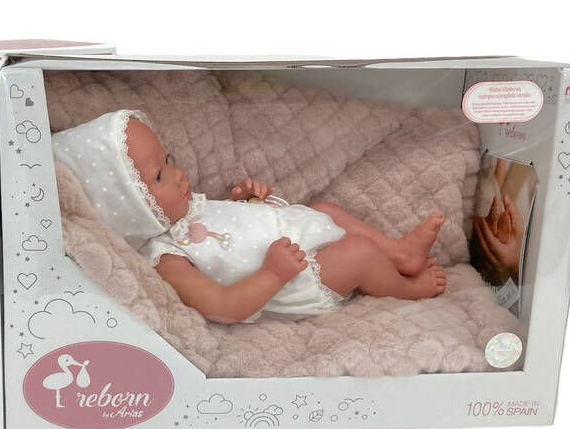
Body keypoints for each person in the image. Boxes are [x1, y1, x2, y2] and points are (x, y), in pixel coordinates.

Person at [53, 110, 446, 324]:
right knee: (358, 252)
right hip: (292, 281)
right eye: (159, 176)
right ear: (128, 208)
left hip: (293, 239)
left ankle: (400, 253)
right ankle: (408, 288)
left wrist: (244, 204)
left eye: (169, 161)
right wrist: (274, 273)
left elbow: (225, 237)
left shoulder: (186, 209)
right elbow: (222, 305)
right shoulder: (166, 259)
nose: (179, 174)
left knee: (325, 211)